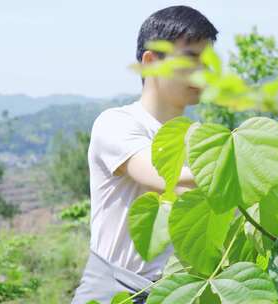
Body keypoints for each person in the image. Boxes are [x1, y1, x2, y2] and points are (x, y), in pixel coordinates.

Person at [70, 5, 218, 304]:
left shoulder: (203, 138)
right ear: (150, 62)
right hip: (116, 291)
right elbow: (165, 178)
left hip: (180, 293)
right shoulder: (117, 123)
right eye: (192, 59)